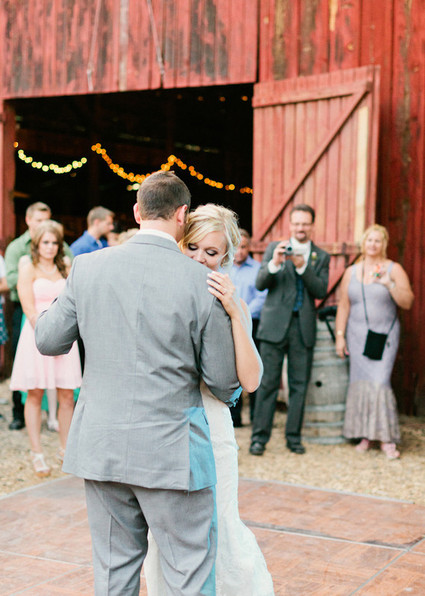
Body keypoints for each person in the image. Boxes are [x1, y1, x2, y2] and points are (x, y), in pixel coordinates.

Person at [35, 171, 240, 595]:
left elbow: (48, 339)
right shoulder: (204, 282)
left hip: (103, 447)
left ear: (136, 212)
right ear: (182, 215)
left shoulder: (88, 268)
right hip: (173, 454)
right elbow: (223, 382)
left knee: (114, 574)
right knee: (189, 575)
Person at [144, 205, 274, 596]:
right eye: (193, 247)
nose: (200, 258)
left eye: (212, 252)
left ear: (226, 257)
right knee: (163, 532)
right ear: (179, 244)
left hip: (212, 428)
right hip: (163, 428)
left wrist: (235, 313)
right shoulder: (157, 292)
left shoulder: (232, 305)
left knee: (222, 526)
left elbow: (251, 381)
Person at [250, 204, 330, 456]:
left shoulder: (321, 256)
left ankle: (293, 437)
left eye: (305, 223)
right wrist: (274, 263)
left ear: (312, 226)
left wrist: (302, 267)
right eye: (296, 223)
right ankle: (259, 438)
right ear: (290, 225)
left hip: (302, 328)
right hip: (273, 326)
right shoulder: (275, 249)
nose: (300, 228)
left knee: (299, 385)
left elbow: (320, 291)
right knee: (267, 384)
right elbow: (260, 284)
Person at [335, 224, 414, 460]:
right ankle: (366, 435)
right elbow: (344, 305)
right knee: (361, 383)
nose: (373, 244)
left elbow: (407, 301)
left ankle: (386, 438)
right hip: (357, 336)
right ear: (363, 243)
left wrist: (389, 284)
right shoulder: (351, 272)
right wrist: (340, 336)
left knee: (380, 383)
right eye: (369, 240)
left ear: (384, 244)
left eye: (377, 240)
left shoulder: (393, 269)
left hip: (384, 336)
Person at [10, 220, 81, 477]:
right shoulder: (27, 267)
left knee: (66, 395)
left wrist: (64, 332)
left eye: (54, 243)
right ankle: (36, 452)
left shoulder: (66, 267)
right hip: (36, 333)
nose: (50, 247)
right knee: (35, 393)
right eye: (45, 242)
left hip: (65, 336)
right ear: (37, 244)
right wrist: (46, 333)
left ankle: (66, 449)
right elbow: (28, 306)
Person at [4, 201, 73, 430]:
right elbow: (11, 279)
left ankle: (56, 419)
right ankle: (18, 413)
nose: (44, 224)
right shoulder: (17, 248)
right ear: (29, 220)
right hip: (25, 309)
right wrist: (33, 276)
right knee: (28, 371)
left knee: (64, 383)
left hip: (61, 321)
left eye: (47, 219)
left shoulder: (62, 252)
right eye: (40, 220)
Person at [230, 229, 267, 425]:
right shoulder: (222, 267)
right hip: (228, 324)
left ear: (249, 247)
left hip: (253, 323)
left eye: (244, 247)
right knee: (232, 369)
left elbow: (262, 297)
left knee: (253, 367)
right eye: (236, 247)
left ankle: (255, 415)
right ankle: (234, 417)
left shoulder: (258, 269)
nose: (239, 251)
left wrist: (242, 314)